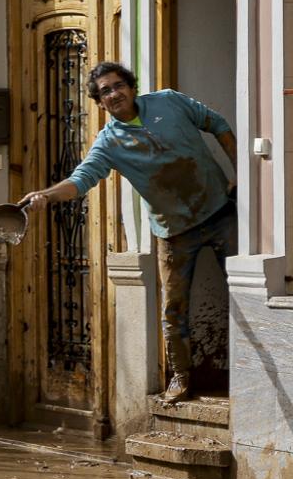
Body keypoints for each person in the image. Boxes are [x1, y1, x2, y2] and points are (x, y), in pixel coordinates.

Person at [17, 63, 237, 405]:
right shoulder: (108, 143)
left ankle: (248, 373)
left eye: (118, 85)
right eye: (105, 91)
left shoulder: (169, 101)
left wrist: (242, 175)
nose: (114, 93)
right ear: (99, 102)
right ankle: (181, 378)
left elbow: (218, 125)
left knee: (241, 293)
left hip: (221, 212)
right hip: (173, 231)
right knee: (173, 309)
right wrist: (45, 195)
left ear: (131, 87)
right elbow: (81, 180)